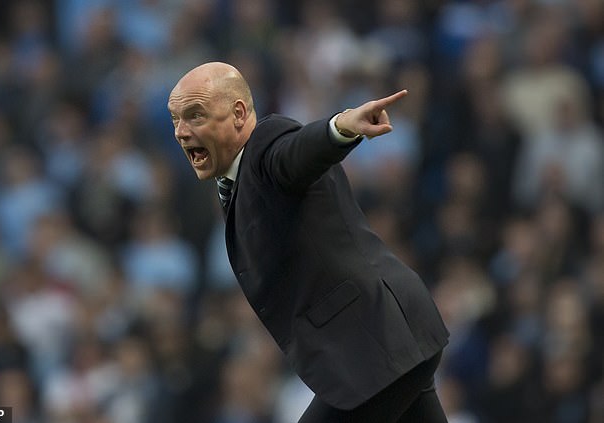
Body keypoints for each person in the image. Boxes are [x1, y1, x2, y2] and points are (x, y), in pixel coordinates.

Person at [167, 62, 450, 422]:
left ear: (238, 113)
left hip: (375, 347)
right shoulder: (237, 182)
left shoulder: (265, 145)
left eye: (194, 115)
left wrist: (340, 128)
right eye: (175, 119)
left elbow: (296, 153)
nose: (181, 131)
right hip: (393, 337)